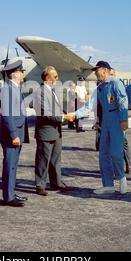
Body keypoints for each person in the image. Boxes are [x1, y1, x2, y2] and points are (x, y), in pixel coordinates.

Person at [76, 61, 129, 194]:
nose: (95, 73)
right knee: (103, 153)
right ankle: (108, 185)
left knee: (116, 153)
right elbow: (90, 105)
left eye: (97, 70)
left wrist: (124, 119)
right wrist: (74, 115)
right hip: (105, 122)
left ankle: (122, 178)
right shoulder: (99, 88)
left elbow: (123, 100)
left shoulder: (116, 83)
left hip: (117, 120)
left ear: (105, 70)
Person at [34, 66, 73, 196]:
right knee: (43, 160)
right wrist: (64, 117)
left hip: (56, 132)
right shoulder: (40, 92)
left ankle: (56, 183)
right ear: (47, 77)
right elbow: (45, 113)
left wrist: (67, 115)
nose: (57, 78)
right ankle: (40, 185)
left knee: (55, 160)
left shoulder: (51, 91)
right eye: (55, 76)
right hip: (46, 132)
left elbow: (57, 110)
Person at [0, 60, 29, 207]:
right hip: (13, 135)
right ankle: (8, 197)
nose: (23, 73)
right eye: (22, 71)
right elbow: (7, 114)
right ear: (15, 73)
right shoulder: (8, 89)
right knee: (9, 165)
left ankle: (11, 192)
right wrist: (13, 134)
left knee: (13, 165)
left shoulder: (15, 88)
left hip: (18, 133)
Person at [110, 68, 131, 174]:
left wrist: (123, 120)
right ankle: (113, 166)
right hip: (107, 121)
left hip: (119, 119)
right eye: (109, 74)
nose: (111, 76)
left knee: (122, 142)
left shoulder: (119, 85)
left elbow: (124, 103)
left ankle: (128, 164)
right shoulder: (104, 87)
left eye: (112, 74)